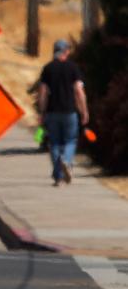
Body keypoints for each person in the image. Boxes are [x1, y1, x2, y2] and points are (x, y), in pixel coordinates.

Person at [35, 39, 89, 186]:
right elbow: (79, 91)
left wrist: (42, 111)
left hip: (52, 111)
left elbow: (43, 92)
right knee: (70, 140)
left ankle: (58, 174)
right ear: (65, 51)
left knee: (54, 143)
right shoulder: (73, 68)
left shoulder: (48, 68)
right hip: (69, 111)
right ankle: (66, 159)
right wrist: (84, 111)